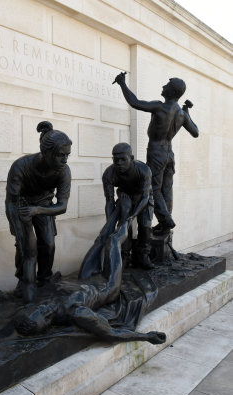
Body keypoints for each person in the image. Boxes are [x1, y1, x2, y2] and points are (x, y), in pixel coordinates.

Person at [14, 220, 166, 345]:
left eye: (39, 308)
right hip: (108, 284)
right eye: (46, 316)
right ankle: (130, 214)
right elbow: (110, 333)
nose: (46, 309)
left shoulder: (36, 300)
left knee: (102, 238)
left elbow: (29, 269)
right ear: (47, 323)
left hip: (85, 277)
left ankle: (118, 211)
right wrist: (145, 337)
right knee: (113, 241)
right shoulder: (77, 312)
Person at [114, 73, 199, 235]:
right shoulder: (181, 114)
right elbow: (195, 132)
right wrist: (187, 112)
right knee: (166, 188)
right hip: (169, 154)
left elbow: (135, 102)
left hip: (156, 152)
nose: (163, 87)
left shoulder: (160, 107)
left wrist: (122, 83)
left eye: (166, 85)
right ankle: (164, 223)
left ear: (172, 91)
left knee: (153, 188)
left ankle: (166, 220)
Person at [5, 121, 72, 303]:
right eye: (60, 155)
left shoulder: (63, 171)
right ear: (46, 153)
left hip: (42, 205)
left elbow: (62, 206)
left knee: (48, 244)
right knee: (24, 245)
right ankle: (24, 282)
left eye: (67, 155)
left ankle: (44, 279)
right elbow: (11, 201)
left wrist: (39, 210)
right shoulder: (21, 166)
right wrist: (16, 228)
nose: (65, 160)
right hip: (21, 205)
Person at [102, 142, 154, 269]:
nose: (119, 163)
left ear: (131, 158)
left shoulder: (144, 170)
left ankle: (143, 256)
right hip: (125, 197)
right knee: (124, 225)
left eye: (123, 159)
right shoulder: (109, 174)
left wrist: (133, 216)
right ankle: (124, 256)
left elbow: (145, 197)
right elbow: (109, 201)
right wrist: (110, 222)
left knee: (145, 225)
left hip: (143, 198)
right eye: (116, 160)